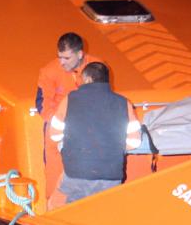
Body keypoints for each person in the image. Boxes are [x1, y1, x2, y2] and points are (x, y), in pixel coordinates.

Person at [48, 62, 141, 204]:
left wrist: (67, 145)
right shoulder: (124, 103)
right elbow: (134, 142)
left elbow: (54, 135)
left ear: (88, 79)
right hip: (111, 176)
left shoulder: (70, 99)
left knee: (57, 207)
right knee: (104, 213)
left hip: (76, 172)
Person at [35, 32, 101, 202]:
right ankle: (53, 202)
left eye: (66, 58)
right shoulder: (49, 72)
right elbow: (43, 104)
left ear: (80, 54)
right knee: (54, 171)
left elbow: (102, 97)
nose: (61, 62)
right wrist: (61, 124)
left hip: (88, 126)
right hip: (59, 126)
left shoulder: (97, 68)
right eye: (59, 57)